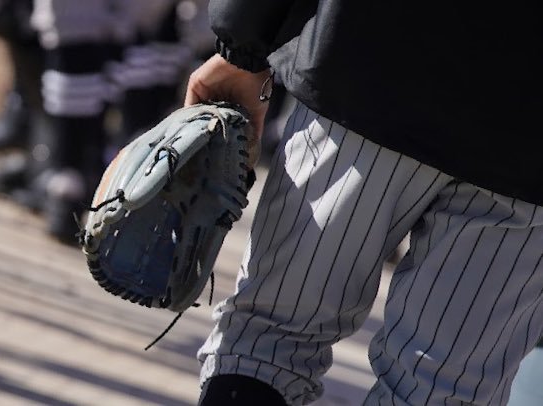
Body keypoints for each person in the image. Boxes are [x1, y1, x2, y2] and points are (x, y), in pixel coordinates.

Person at [186, 1, 543, 405]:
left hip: (369, 70)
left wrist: (243, 43)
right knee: (444, 390)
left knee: (269, 337)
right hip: (527, 149)